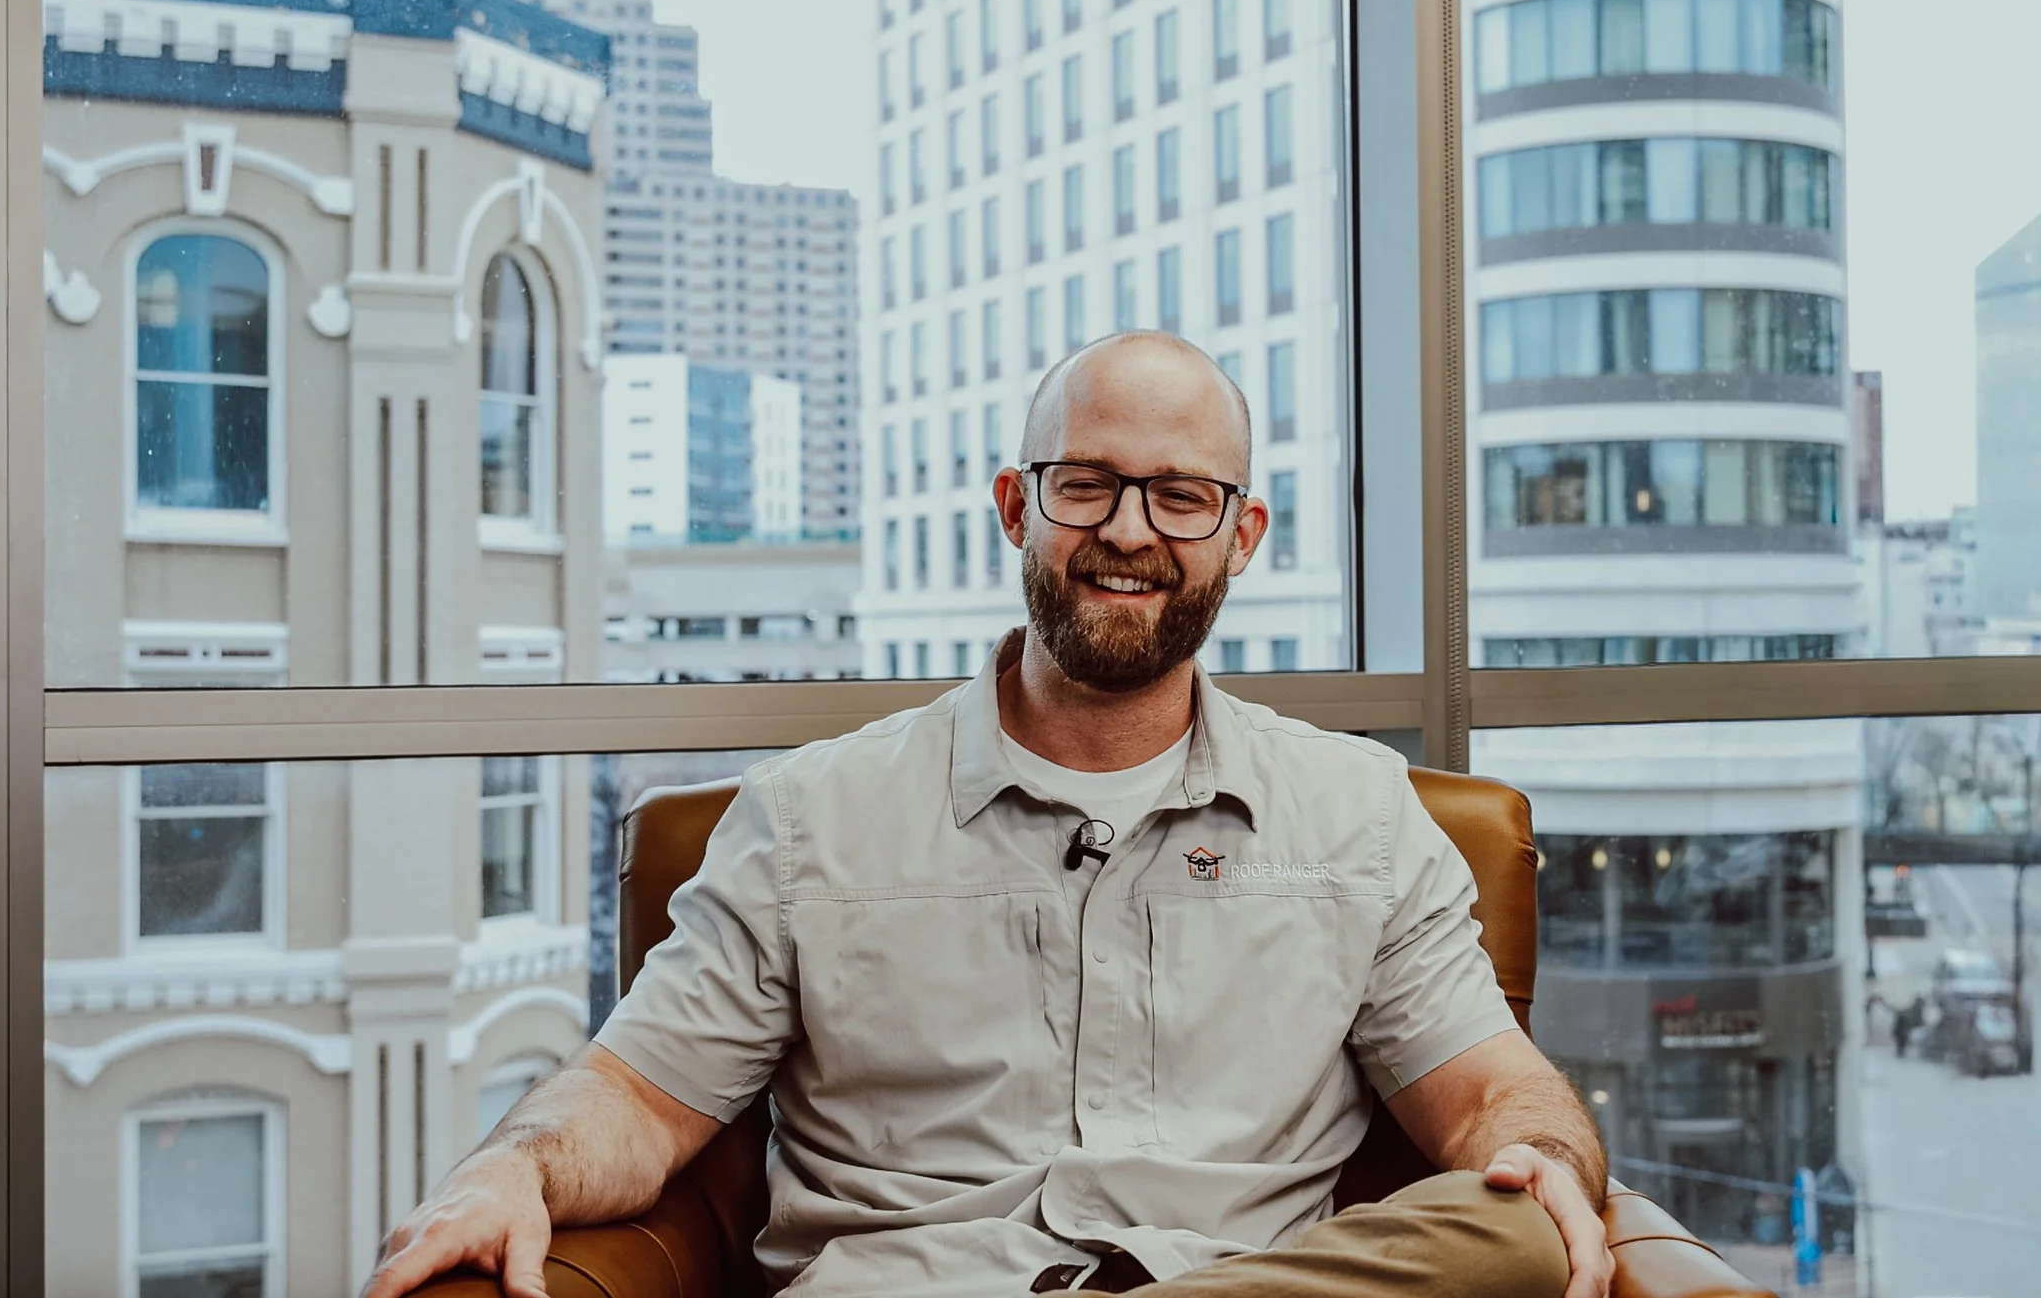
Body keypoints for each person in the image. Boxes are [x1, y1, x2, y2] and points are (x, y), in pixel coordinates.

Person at [364, 333, 1612, 1298]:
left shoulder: (1359, 815)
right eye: (1088, 486)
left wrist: (1546, 1160)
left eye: (1180, 496)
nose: (1129, 531)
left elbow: (1492, 1099)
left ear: (1242, 537)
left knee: (1518, 1225)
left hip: (1240, 1276)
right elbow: (637, 1098)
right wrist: (511, 1167)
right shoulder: (805, 820)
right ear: (1017, 508)